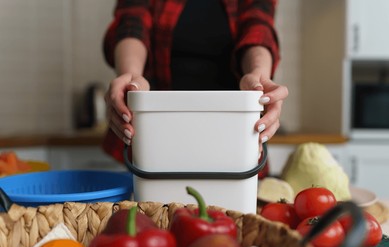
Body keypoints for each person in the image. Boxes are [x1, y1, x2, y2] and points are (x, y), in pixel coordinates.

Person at [102, 0, 288, 177]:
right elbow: (132, 22)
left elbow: (258, 26)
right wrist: (131, 77)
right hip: (155, 139)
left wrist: (259, 74)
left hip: (234, 140)